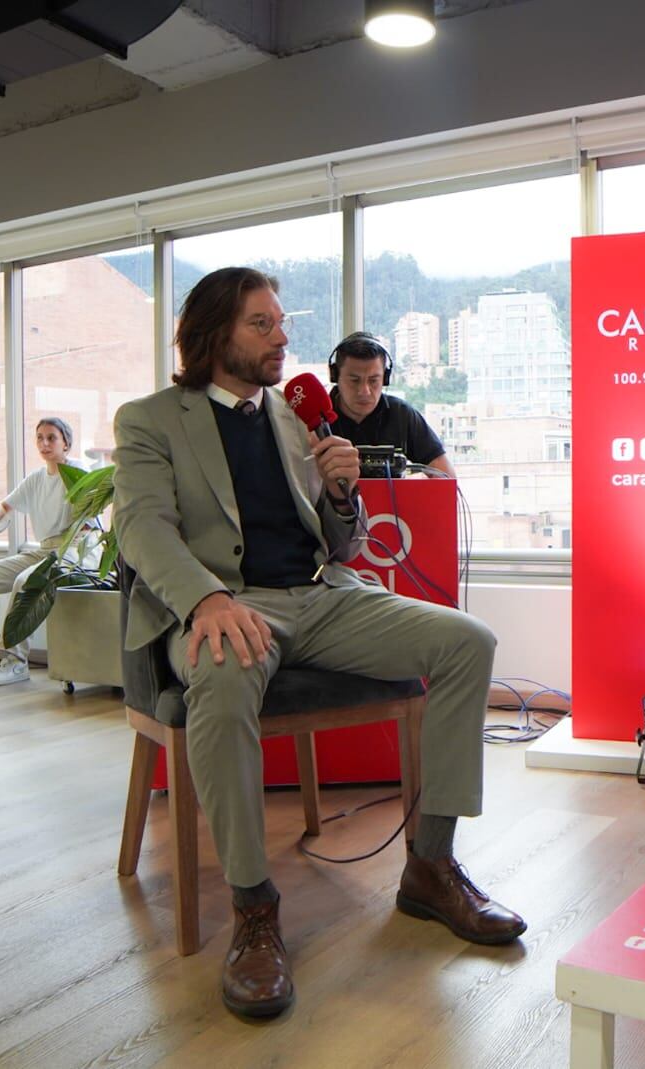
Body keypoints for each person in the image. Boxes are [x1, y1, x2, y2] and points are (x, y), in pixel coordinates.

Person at [112, 267, 523, 1020]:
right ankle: (254, 908)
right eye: (261, 324)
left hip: (321, 596)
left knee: (467, 642)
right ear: (213, 335)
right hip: (224, 606)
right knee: (226, 670)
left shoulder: (295, 417)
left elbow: (339, 543)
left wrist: (340, 493)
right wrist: (204, 597)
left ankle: (431, 864)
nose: (282, 337)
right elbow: (142, 526)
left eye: (280, 322)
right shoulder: (150, 420)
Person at [0, 417, 83, 686]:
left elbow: (88, 526)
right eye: (39, 438)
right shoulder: (36, 479)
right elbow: (3, 508)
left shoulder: (78, 474)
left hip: (72, 550)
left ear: (67, 443)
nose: (44, 443)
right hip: (44, 550)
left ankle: (16, 662)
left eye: (51, 437)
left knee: (25, 581)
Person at [327, 331, 455, 475]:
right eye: (354, 380)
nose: (364, 391)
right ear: (335, 376)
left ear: (385, 378)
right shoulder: (316, 419)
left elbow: (446, 475)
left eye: (373, 380)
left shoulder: (402, 415)